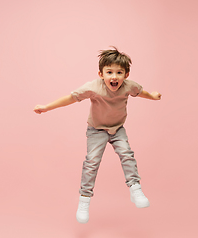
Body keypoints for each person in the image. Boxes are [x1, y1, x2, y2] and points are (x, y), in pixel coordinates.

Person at [34, 47, 161, 224]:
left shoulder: (129, 86)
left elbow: (141, 92)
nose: (114, 77)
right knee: (92, 162)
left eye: (119, 72)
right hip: (96, 130)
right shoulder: (92, 87)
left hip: (117, 129)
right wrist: (47, 107)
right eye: (109, 72)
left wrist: (153, 96)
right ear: (101, 74)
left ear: (126, 74)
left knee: (127, 154)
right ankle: (84, 200)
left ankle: (135, 188)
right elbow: (70, 98)